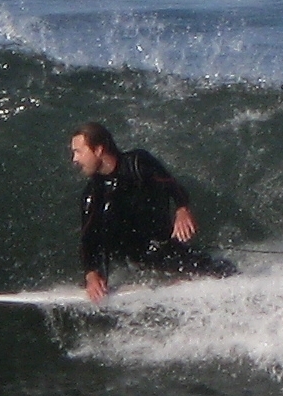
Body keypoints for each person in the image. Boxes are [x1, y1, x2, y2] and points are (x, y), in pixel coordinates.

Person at [70, 122, 235, 302]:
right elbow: (88, 240)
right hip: (131, 258)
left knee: (213, 269)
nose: (75, 159)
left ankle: (242, 282)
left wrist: (182, 209)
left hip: (160, 247)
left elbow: (171, 184)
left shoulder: (137, 164)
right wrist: (91, 275)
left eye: (79, 151)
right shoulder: (93, 194)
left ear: (99, 150)